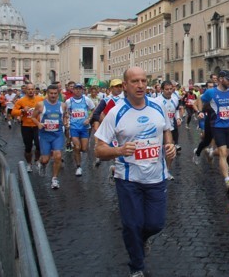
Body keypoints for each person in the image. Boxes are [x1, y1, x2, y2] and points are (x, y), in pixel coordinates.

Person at [95, 67, 176, 277]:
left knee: (155, 224)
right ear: (125, 86)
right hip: (128, 179)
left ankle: (143, 240)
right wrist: (119, 150)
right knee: (132, 225)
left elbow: (166, 129)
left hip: (157, 177)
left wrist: (170, 145)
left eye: (143, 81)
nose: (140, 85)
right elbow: (98, 149)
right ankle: (137, 267)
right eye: (135, 81)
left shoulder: (158, 106)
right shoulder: (115, 113)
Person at [200, 70, 229, 192]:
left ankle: (211, 153)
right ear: (221, 79)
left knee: (226, 152)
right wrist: (200, 111)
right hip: (217, 126)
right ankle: (227, 180)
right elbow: (199, 100)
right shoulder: (211, 92)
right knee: (223, 152)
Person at [32, 84, 64, 189]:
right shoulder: (40, 105)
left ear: (58, 94)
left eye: (55, 93)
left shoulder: (62, 105)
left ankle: (54, 179)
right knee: (45, 159)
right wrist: (38, 124)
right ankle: (42, 164)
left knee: (58, 156)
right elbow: (33, 117)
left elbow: (66, 115)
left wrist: (66, 122)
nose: (53, 95)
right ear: (47, 93)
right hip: (45, 135)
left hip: (57, 134)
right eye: (51, 93)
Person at [63, 83, 95, 176]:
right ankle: (78, 167)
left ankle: (78, 153)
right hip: (74, 127)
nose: (78, 90)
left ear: (82, 90)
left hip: (84, 128)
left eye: (79, 89)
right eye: (76, 89)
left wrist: (88, 119)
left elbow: (93, 109)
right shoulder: (69, 101)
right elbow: (65, 112)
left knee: (84, 149)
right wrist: (66, 121)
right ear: (73, 90)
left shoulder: (86, 100)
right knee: (77, 147)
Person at [12, 83, 44, 172]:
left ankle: (37, 160)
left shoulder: (40, 99)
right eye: (29, 89)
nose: (30, 91)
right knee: (28, 147)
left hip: (37, 125)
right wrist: (22, 110)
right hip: (26, 126)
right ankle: (29, 163)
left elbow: (48, 106)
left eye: (32, 89)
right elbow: (13, 112)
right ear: (25, 90)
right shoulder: (21, 101)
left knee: (39, 145)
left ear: (34, 90)